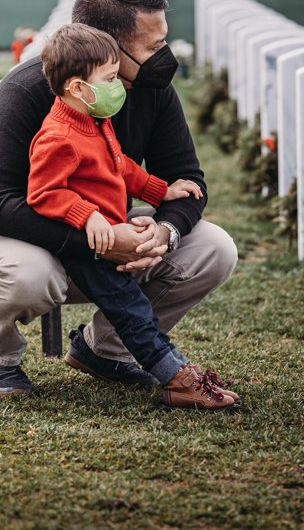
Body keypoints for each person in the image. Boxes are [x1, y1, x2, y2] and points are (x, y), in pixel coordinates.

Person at [0, 0, 239, 397]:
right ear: (105, 47)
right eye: (153, 46)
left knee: (214, 248)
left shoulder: (149, 87)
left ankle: (105, 350)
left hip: (102, 226)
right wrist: (98, 238)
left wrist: (163, 230)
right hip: (3, 232)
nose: (165, 56)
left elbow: (184, 178)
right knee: (30, 272)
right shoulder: (26, 90)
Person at [27, 23, 238, 410]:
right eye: (108, 79)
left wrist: (163, 191)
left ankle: (146, 365)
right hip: (87, 245)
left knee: (132, 308)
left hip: (112, 231)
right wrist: (87, 216)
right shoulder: (57, 137)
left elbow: (121, 167)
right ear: (77, 87)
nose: (117, 86)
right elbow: (42, 193)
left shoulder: (95, 121)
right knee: (133, 311)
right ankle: (176, 378)